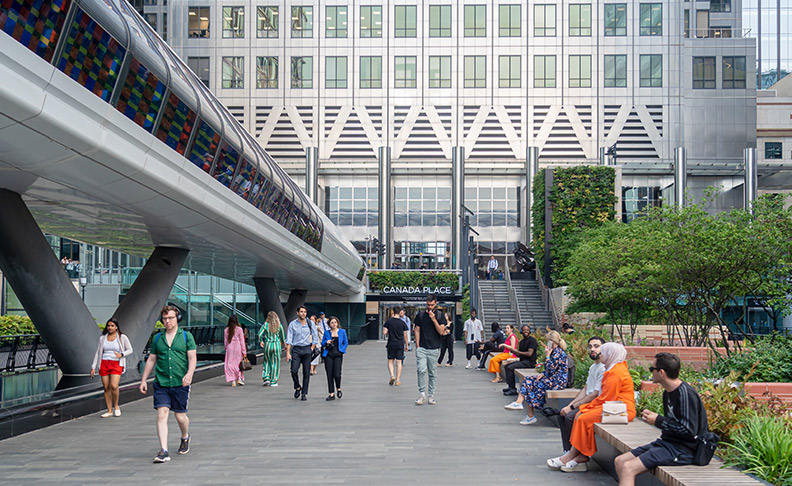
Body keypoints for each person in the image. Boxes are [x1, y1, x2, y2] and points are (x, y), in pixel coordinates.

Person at [614, 353, 709, 486]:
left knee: (628, 468)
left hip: (684, 449)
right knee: (620, 461)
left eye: (652, 369)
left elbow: (689, 430)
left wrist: (658, 420)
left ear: (661, 372)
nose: (651, 373)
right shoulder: (667, 392)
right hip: (667, 443)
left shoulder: (685, 394)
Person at [549, 342, 635, 473]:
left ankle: (574, 455)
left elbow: (607, 398)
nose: (602, 355)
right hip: (613, 407)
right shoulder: (614, 368)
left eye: (604, 353)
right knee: (579, 416)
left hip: (621, 410)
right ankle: (577, 455)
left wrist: (587, 407)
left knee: (583, 418)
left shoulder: (615, 372)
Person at [139, 306, 197, 463]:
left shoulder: (186, 337)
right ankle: (163, 450)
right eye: (165, 319)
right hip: (162, 382)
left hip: (180, 383)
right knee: (162, 413)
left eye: (171, 318)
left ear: (177, 318)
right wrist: (144, 379)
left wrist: (189, 374)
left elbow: (192, 358)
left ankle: (185, 436)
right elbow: (152, 359)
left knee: (180, 416)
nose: (168, 321)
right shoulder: (158, 339)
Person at [550, 337, 606, 453]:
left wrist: (571, 408)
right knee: (563, 415)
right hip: (587, 401)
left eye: (596, 346)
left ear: (604, 348)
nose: (592, 349)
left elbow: (595, 394)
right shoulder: (593, 367)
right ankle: (568, 451)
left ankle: (579, 454)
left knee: (571, 417)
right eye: (590, 347)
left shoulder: (603, 368)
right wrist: (570, 405)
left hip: (595, 404)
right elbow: (585, 389)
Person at [504, 330, 568, 425]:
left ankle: (529, 414)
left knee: (530, 385)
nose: (546, 343)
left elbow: (551, 368)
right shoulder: (554, 351)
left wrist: (547, 356)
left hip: (558, 382)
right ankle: (520, 403)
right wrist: (543, 373)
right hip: (553, 378)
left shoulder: (558, 352)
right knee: (528, 380)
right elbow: (550, 370)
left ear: (552, 342)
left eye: (547, 341)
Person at [90, 318, 133, 418]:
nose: (110, 328)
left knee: (114, 385)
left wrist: (121, 354)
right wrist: (93, 367)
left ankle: (116, 406)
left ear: (116, 327)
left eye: (112, 326)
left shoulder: (122, 337)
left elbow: (130, 349)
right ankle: (109, 410)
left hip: (116, 363)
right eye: (108, 326)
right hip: (104, 363)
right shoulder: (102, 338)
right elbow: (98, 353)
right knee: (106, 387)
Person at [413, 294, 447, 405]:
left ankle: (431, 395)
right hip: (422, 348)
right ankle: (422, 394)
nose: (430, 307)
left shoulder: (439, 315)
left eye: (432, 305)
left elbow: (441, 332)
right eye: (428, 305)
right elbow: (416, 329)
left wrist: (434, 320)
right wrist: (417, 345)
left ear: (435, 304)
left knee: (432, 373)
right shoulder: (421, 315)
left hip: (434, 348)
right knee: (421, 370)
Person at [285, 305, 318, 401]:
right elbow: (289, 339)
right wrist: (288, 352)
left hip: (307, 349)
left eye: (305, 312)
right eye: (301, 312)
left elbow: (315, 337)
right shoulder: (292, 324)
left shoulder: (310, 323)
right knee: (294, 370)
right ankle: (298, 387)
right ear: (297, 313)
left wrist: (312, 348)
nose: (303, 313)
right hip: (296, 349)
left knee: (306, 372)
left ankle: (304, 393)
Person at [502, 325, 538, 396]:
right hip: (523, 361)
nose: (526, 332)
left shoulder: (532, 341)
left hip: (530, 362)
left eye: (527, 330)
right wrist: (514, 351)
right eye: (524, 330)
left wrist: (517, 352)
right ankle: (510, 386)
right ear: (521, 332)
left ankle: (513, 389)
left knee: (510, 368)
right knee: (507, 366)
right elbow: (520, 354)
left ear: (530, 331)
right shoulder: (522, 341)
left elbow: (529, 354)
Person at [321, 316, 348, 401]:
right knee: (329, 374)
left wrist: (342, 350)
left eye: (335, 322)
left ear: (337, 323)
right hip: (328, 355)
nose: (334, 324)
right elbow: (322, 343)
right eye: (332, 323)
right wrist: (326, 342)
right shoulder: (326, 332)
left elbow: (345, 342)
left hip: (338, 354)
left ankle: (338, 388)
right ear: (329, 324)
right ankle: (331, 393)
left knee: (337, 373)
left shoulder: (342, 332)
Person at [383, 306, 409, 385]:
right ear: (400, 312)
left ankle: (392, 375)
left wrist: (388, 330)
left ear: (393, 312)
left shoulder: (389, 322)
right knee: (399, 362)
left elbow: (384, 332)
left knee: (390, 361)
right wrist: (407, 344)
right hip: (400, 344)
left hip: (391, 343)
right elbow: (405, 335)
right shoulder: (402, 323)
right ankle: (398, 379)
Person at [258, 311, 285, 386]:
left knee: (266, 361)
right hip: (276, 344)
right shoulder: (279, 325)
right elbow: (283, 337)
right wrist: (285, 345)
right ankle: (274, 381)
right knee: (275, 363)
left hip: (268, 344)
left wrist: (261, 341)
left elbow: (259, 334)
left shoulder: (265, 325)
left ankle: (266, 377)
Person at [224, 315, 247, 386]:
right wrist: (244, 351)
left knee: (229, 364)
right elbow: (242, 341)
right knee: (237, 363)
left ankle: (232, 380)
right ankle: (239, 378)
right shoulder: (239, 329)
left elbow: (225, 341)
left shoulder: (226, 330)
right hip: (237, 347)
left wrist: (226, 348)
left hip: (229, 347)